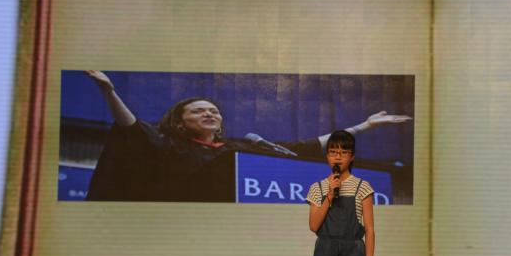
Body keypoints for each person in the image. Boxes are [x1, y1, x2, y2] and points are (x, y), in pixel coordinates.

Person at [82, 70, 411, 202]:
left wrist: (364, 127)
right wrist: (109, 91)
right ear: (180, 123)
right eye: (198, 111)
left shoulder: (241, 147)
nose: (209, 113)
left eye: (213, 110)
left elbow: (308, 146)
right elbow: (132, 129)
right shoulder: (169, 145)